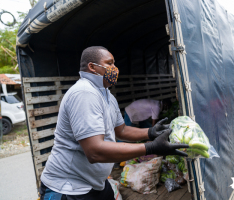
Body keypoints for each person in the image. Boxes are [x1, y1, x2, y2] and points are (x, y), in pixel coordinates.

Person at [39, 46, 188, 200]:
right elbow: (94, 151)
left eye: (114, 64)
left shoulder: (107, 95)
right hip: (69, 189)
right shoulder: (84, 93)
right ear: (92, 67)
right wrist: (150, 147)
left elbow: (121, 130)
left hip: (96, 184)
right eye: (110, 63)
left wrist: (150, 132)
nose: (115, 69)